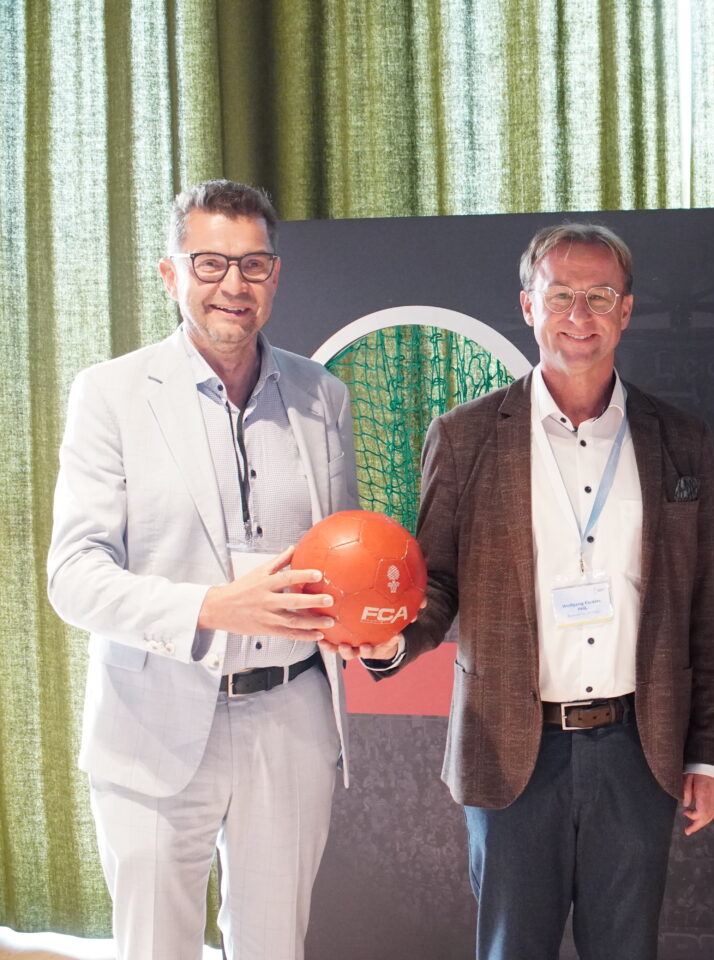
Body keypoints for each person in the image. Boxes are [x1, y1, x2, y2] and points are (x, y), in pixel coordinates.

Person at [368, 222, 714, 960]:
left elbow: (708, 609)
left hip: (640, 749)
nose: (580, 314)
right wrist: (394, 639)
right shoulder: (466, 436)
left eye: (600, 296)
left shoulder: (679, 440)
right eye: (561, 294)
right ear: (528, 306)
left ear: (626, 311)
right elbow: (436, 582)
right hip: (512, 750)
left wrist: (711, 753)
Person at [47, 179, 359, 960]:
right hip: (152, 720)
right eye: (211, 263)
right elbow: (73, 576)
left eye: (253, 266)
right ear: (170, 274)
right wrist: (213, 608)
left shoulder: (325, 397)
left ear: (275, 277)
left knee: (274, 949)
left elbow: (342, 557)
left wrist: (368, 626)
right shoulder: (110, 395)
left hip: (289, 721)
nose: (233, 285)